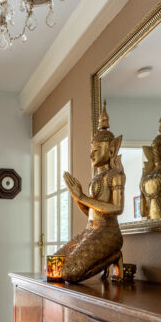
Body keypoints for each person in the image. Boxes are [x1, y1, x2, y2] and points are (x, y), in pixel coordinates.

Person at [54, 102, 125, 283]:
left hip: (108, 233)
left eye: (96, 150)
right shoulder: (95, 179)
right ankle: (111, 258)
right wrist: (77, 198)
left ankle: (113, 255)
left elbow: (117, 207)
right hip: (90, 230)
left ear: (111, 149)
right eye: (91, 150)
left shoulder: (115, 175)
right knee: (54, 266)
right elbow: (92, 213)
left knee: (70, 273)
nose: (91, 155)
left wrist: (82, 196)